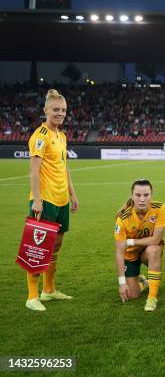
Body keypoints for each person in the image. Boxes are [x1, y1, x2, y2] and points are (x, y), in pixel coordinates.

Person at [25, 89, 79, 312]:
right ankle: (31, 296)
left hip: (60, 199)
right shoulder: (40, 136)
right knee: (38, 248)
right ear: (46, 110)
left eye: (63, 110)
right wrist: (37, 200)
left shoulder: (62, 136)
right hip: (44, 200)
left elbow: (64, 167)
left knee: (55, 247)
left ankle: (49, 290)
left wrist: (72, 194)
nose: (60, 114)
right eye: (56, 110)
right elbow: (33, 171)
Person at [114, 179, 165, 312]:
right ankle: (143, 282)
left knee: (154, 249)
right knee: (132, 295)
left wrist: (131, 242)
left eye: (146, 195)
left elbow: (156, 240)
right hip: (130, 255)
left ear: (151, 195)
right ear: (132, 196)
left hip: (147, 251)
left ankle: (152, 298)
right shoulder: (122, 219)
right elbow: (119, 252)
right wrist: (121, 283)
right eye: (138, 195)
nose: (142, 199)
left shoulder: (160, 208)